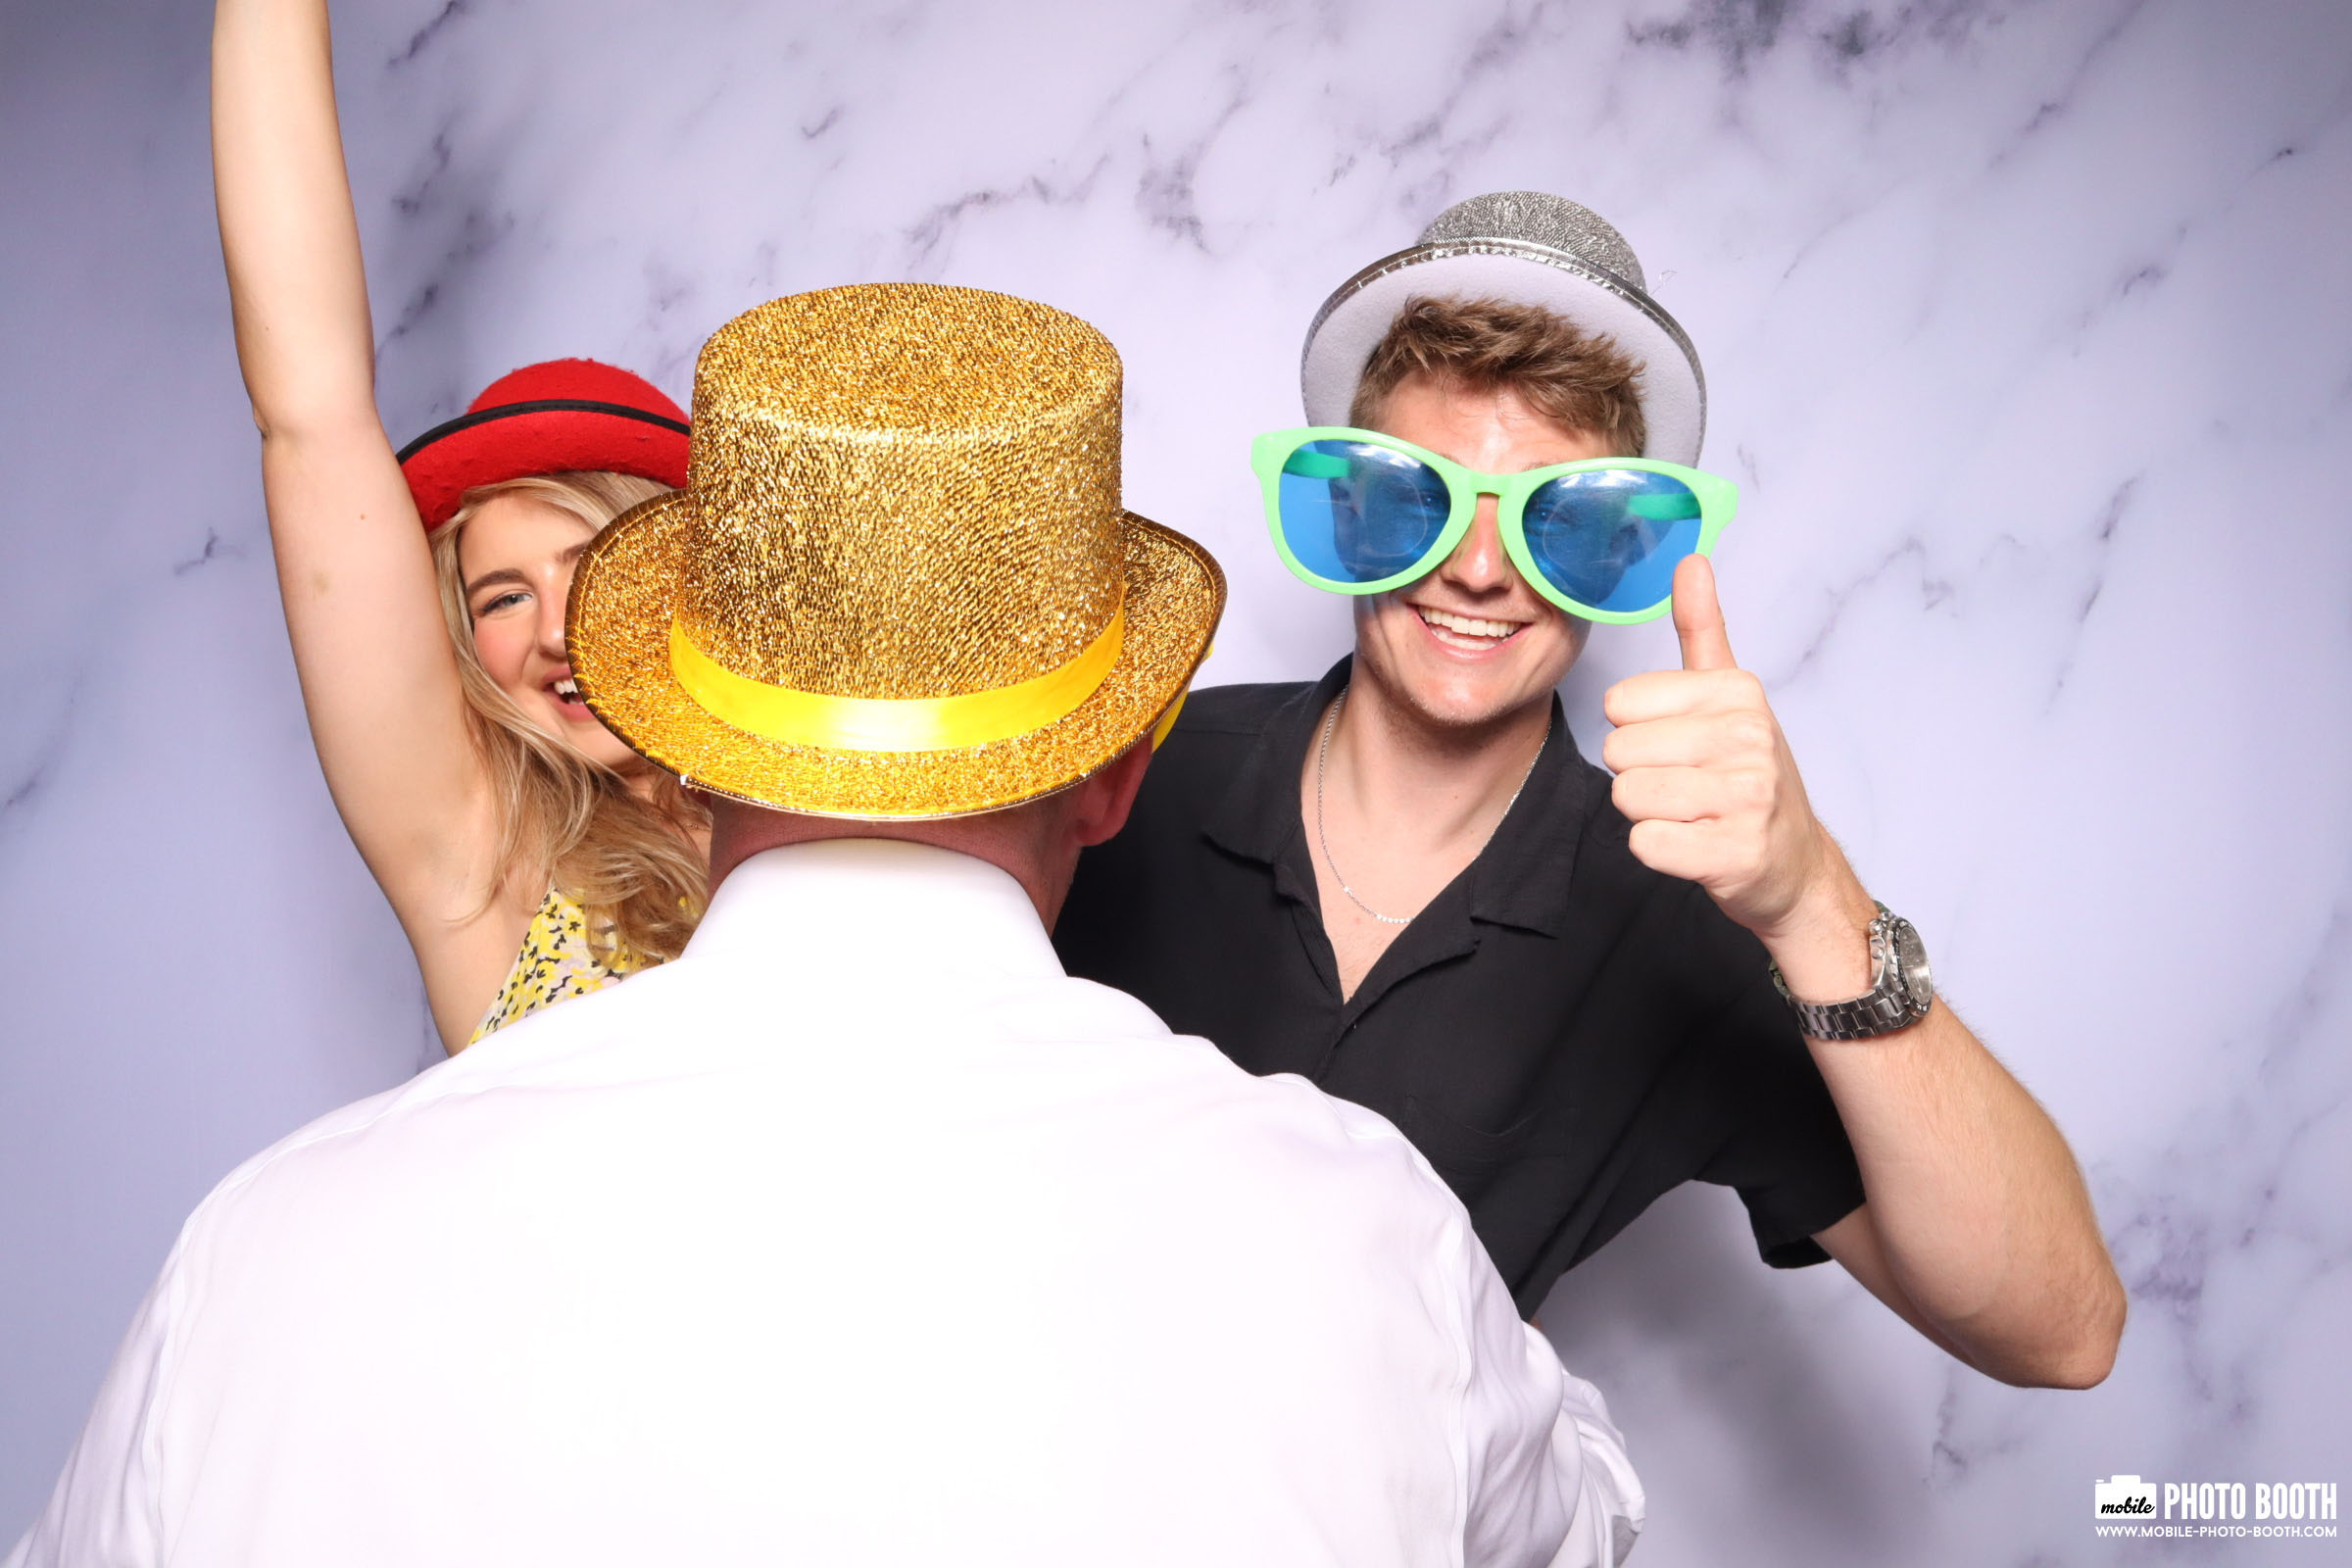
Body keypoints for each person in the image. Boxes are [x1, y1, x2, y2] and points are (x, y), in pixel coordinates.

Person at [7, 282, 1643, 1568]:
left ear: (694, 736)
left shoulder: (268, 1256)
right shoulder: (1372, 1241)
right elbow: (1573, 1521)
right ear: (1114, 777)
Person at [1055, 191, 2127, 1389]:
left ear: (1618, 550)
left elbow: (2060, 1331)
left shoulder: (1674, 923)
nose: (1477, 568)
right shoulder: (1120, 776)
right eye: (1419, 498)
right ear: (1352, 509)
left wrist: (1814, 899)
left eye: (1554, 522)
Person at [214, 0, 708, 1054]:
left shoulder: (852, 793)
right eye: (503, 596)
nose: (556, 632)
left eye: (590, 565)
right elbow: (310, 415)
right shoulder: (489, 859)